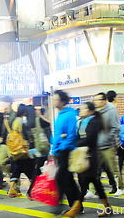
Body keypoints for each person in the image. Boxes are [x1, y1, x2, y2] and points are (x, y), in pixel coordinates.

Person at [77, 102, 111, 216]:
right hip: (84, 155)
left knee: (86, 182)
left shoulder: (94, 122)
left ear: (90, 110)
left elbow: (89, 138)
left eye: (83, 108)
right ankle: (107, 207)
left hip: (91, 156)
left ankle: (75, 208)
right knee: (94, 183)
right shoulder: (82, 122)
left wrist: (75, 144)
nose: (81, 110)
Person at [52, 90, 81, 218]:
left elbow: (71, 134)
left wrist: (63, 146)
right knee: (68, 180)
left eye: (56, 99)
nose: (54, 101)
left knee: (61, 178)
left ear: (63, 101)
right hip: (60, 151)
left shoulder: (69, 114)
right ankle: (76, 206)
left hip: (67, 151)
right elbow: (58, 135)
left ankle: (59, 205)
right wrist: (53, 151)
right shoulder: (59, 115)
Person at [95, 91, 124, 197]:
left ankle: (120, 187)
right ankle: (93, 191)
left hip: (108, 144)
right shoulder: (97, 112)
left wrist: (110, 137)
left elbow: (116, 126)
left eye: (97, 100)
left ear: (104, 101)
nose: (95, 102)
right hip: (98, 145)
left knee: (113, 168)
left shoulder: (111, 110)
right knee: (95, 169)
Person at [7, 105, 36, 198]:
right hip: (23, 147)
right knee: (30, 169)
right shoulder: (23, 121)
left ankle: (12, 189)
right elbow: (25, 134)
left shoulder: (15, 120)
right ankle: (33, 190)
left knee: (17, 168)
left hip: (16, 148)